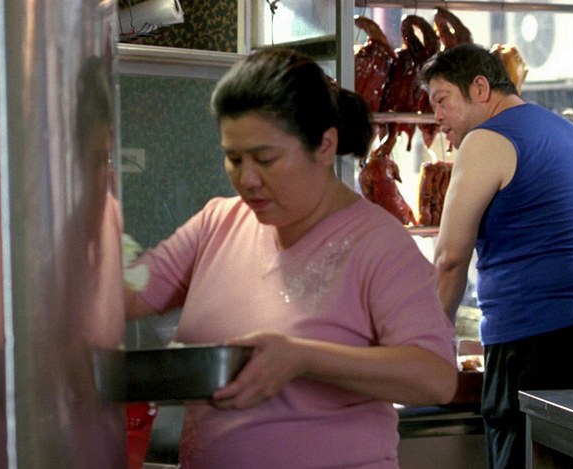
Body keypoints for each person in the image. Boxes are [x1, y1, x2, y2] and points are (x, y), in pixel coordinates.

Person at [124, 48, 458, 469]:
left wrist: (301, 358)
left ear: (324, 146)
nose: (247, 179)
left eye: (265, 159)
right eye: (233, 158)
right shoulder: (218, 223)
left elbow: (434, 376)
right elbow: (127, 294)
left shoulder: (377, 244)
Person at [421, 43, 573, 468]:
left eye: (442, 100)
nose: (438, 117)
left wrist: (423, 345)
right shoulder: (568, 133)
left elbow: (449, 259)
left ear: (480, 89)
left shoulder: (486, 138)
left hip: (545, 339)